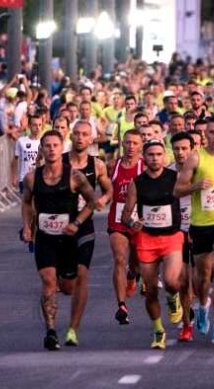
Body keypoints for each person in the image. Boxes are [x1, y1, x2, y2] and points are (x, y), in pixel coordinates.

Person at [20, 131, 96, 350]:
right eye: (47, 145)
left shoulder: (74, 176)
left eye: (55, 145)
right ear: (41, 149)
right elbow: (26, 203)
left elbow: (91, 201)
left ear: (61, 147)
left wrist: (78, 223)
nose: (51, 149)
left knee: (68, 287)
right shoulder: (32, 178)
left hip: (68, 239)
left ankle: (68, 325)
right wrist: (27, 226)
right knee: (48, 280)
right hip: (45, 238)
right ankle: (51, 332)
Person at [174, 115, 214, 346]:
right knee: (202, 277)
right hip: (201, 224)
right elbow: (177, 190)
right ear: (206, 134)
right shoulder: (195, 158)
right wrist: (195, 186)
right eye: (212, 133)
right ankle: (203, 305)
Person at [121, 140, 186, 349]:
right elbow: (125, 215)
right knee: (150, 291)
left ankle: (173, 296)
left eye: (159, 154)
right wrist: (133, 222)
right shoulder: (137, 183)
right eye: (151, 155)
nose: (155, 158)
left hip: (172, 237)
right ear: (144, 157)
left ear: (164, 157)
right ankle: (159, 330)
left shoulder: (174, 178)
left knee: (171, 281)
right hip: (147, 239)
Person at [62, 121, 113, 346]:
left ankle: (73, 329)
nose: (81, 138)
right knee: (67, 285)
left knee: (83, 275)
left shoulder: (97, 164)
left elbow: (108, 188)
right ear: (71, 136)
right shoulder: (59, 161)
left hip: (84, 226)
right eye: (77, 134)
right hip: (61, 226)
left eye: (85, 134)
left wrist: (102, 199)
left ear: (92, 139)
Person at [107, 130, 144, 325]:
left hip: (138, 220)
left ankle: (133, 275)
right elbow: (106, 188)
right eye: (128, 143)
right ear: (122, 143)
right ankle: (121, 305)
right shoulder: (113, 165)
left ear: (141, 145)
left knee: (136, 261)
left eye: (135, 143)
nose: (131, 147)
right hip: (118, 219)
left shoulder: (144, 166)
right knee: (119, 258)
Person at [169, 132, 198, 342]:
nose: (180, 153)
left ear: (192, 149)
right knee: (181, 280)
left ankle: (200, 306)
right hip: (176, 229)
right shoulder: (168, 173)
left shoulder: (200, 170)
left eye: (184, 148)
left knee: (200, 279)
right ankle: (187, 325)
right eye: (177, 149)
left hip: (200, 226)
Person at [12, 115, 45, 193]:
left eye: (39, 125)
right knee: (25, 203)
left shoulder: (45, 141)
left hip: (40, 179)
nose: (37, 127)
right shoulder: (21, 141)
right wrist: (14, 177)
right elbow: (15, 159)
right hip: (24, 178)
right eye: (35, 125)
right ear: (29, 126)